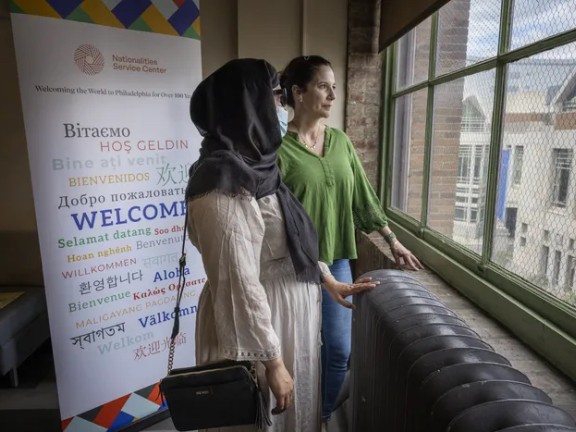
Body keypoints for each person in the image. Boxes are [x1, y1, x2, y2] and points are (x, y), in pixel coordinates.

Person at [184, 58, 377, 432]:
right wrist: (271, 361)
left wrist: (326, 279)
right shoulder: (221, 181)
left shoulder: (260, 166)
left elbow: (288, 238)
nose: (281, 105)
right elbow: (237, 280)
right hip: (259, 330)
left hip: (285, 320)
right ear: (245, 103)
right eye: (273, 95)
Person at [278, 55, 423, 421]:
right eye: (323, 86)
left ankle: (320, 417)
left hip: (338, 260)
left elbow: (363, 197)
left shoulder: (340, 141)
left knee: (339, 350)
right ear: (298, 92)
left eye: (335, 87)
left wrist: (393, 241)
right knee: (299, 352)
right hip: (296, 266)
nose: (332, 95)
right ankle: (292, 420)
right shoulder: (278, 150)